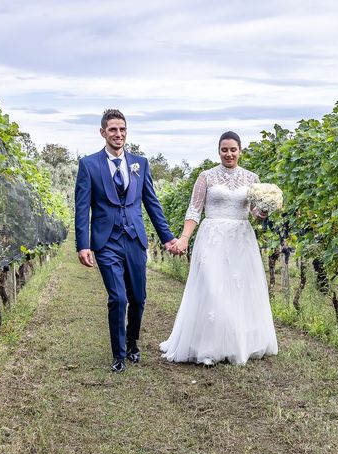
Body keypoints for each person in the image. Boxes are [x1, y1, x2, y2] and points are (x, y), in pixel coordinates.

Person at [159, 131, 278, 365]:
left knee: (239, 288)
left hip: (241, 237)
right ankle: (209, 347)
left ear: (240, 150)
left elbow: (254, 212)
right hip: (212, 236)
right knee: (212, 288)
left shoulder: (252, 178)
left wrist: (263, 211)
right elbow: (194, 210)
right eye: (224, 150)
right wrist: (184, 238)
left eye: (233, 149)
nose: (229, 154)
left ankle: (236, 344)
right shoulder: (206, 177)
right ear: (219, 151)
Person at [75, 109, 178, 373]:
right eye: (112, 130)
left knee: (139, 298)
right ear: (102, 132)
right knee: (118, 298)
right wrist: (83, 244)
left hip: (134, 239)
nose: (118, 134)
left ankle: (133, 343)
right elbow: (82, 207)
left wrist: (167, 238)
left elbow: (152, 204)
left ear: (126, 132)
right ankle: (119, 355)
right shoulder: (89, 164)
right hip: (106, 241)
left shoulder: (140, 163)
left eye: (122, 129)